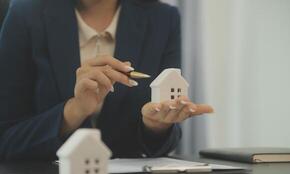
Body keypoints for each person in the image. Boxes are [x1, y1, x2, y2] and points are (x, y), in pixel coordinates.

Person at [0, 0, 213, 160]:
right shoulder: (24, 14)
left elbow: (162, 138)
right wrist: (74, 110)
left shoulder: (164, 18)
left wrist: (156, 126)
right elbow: (6, 140)